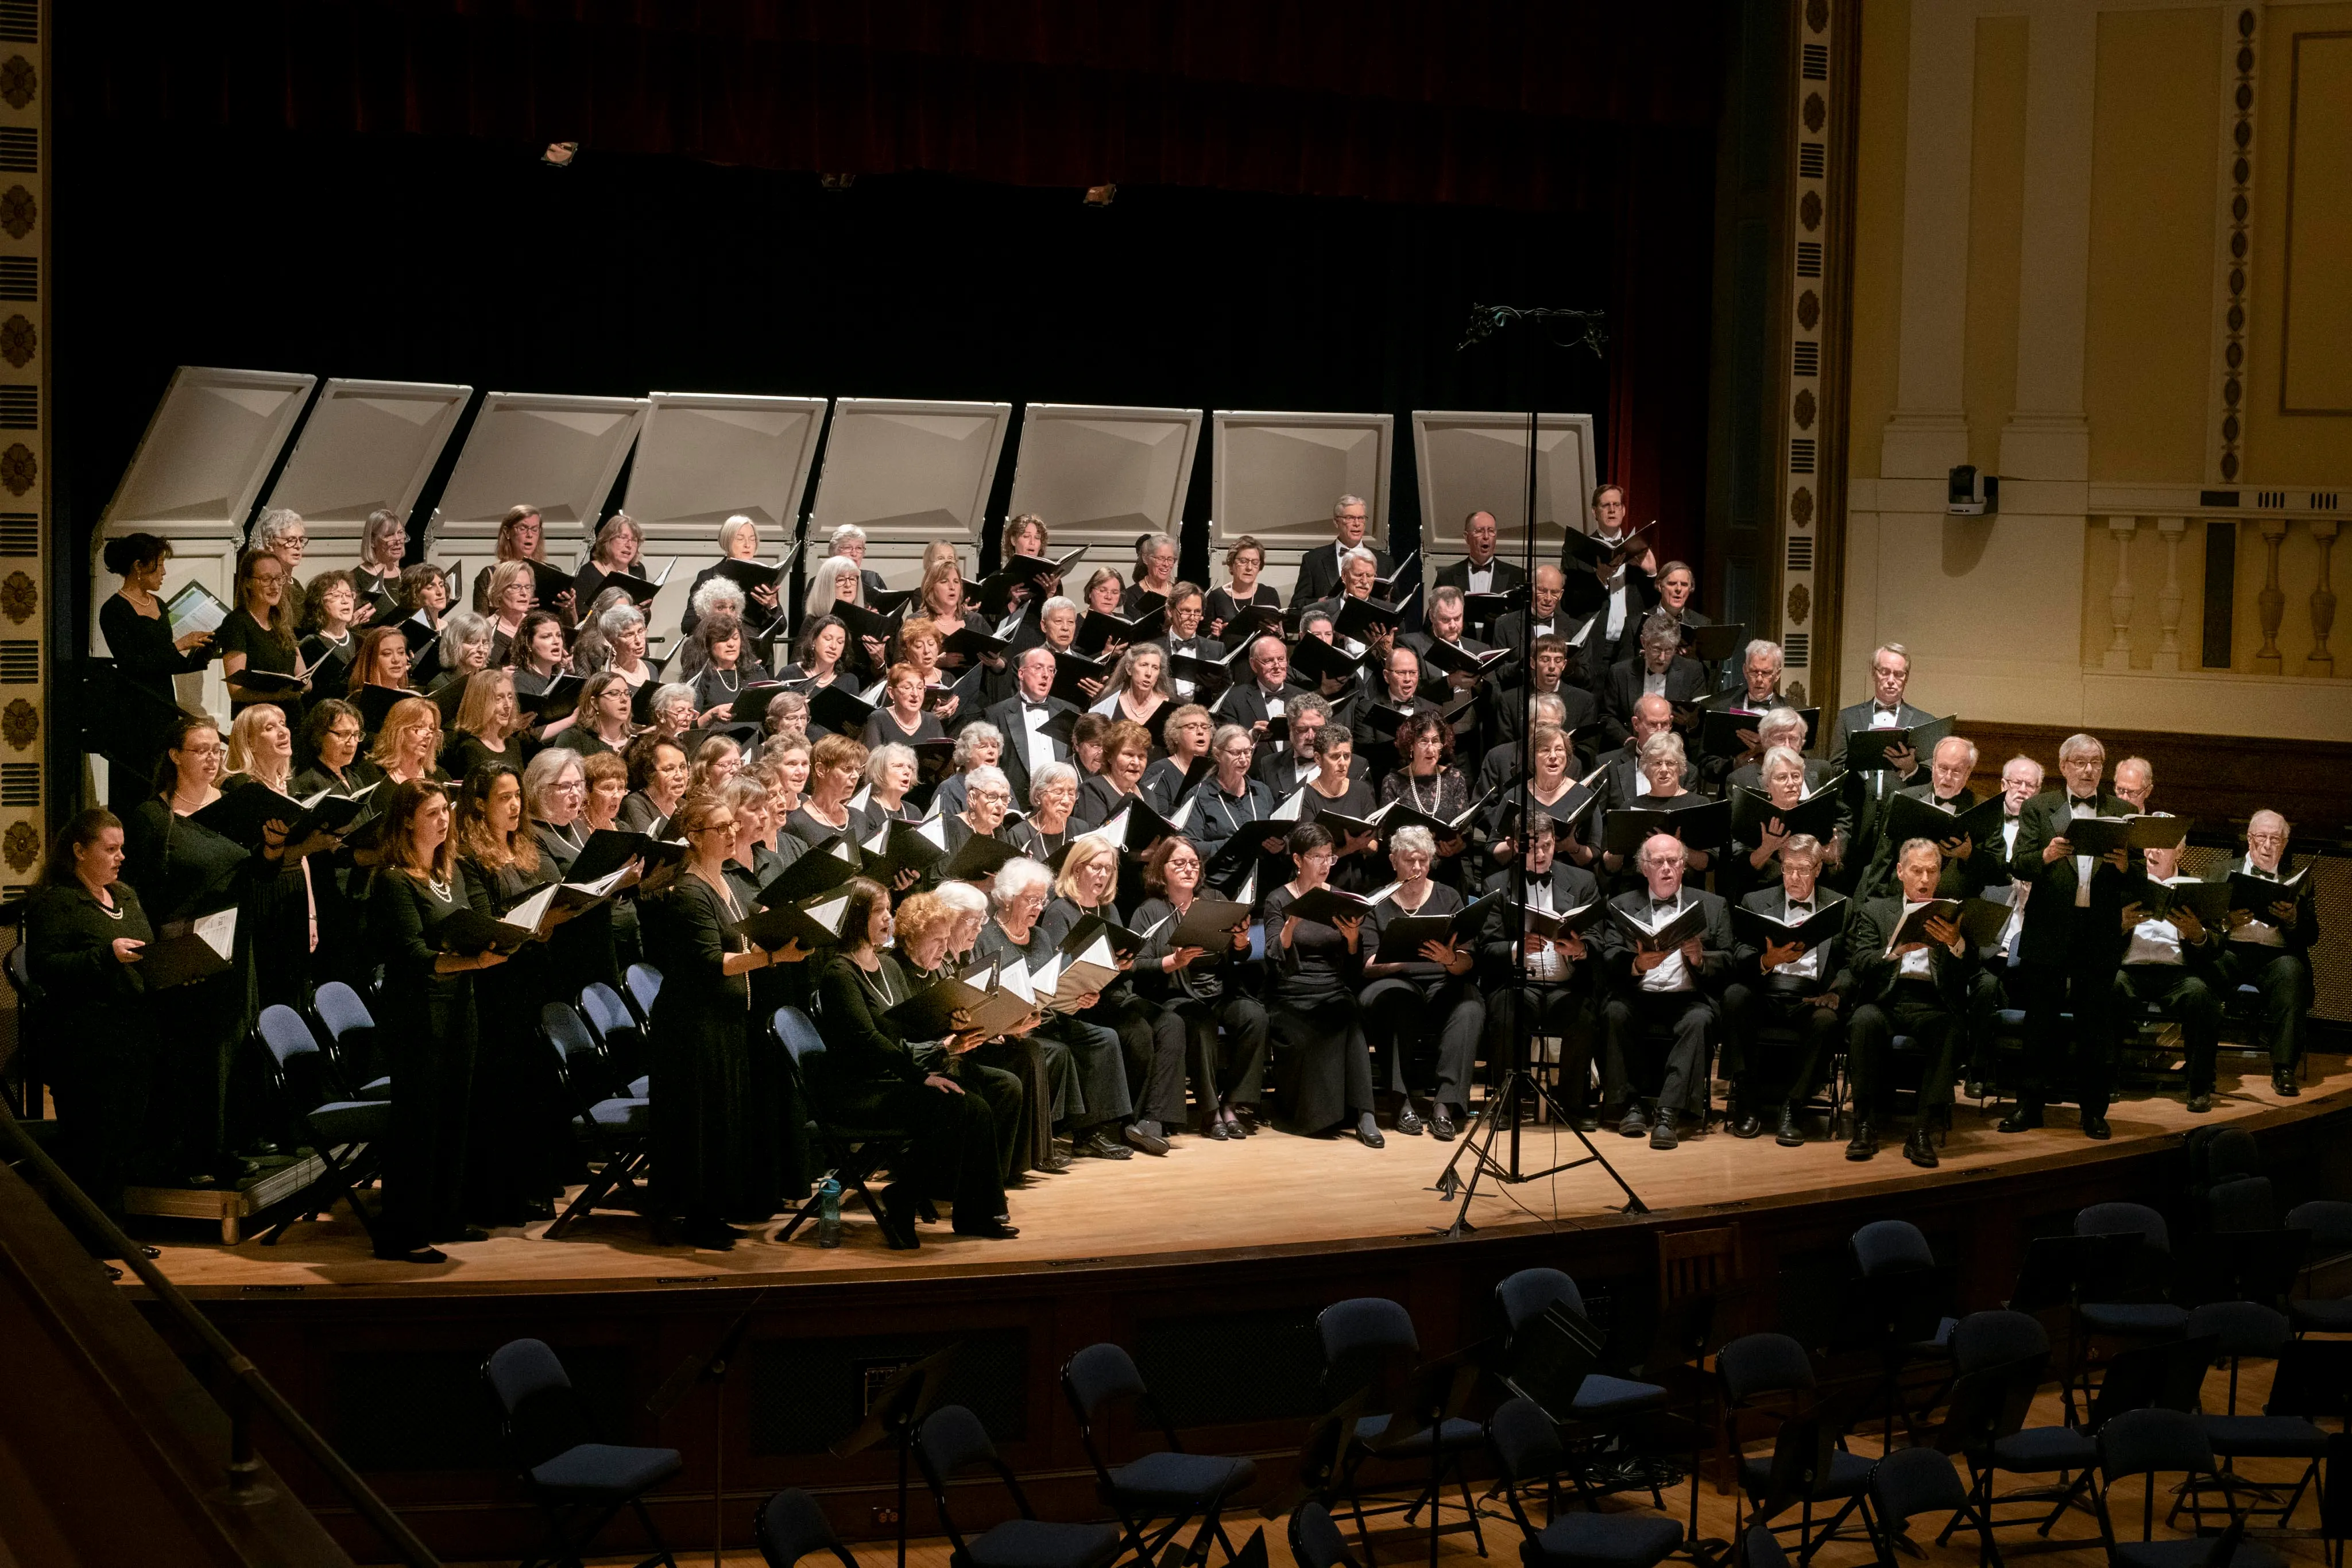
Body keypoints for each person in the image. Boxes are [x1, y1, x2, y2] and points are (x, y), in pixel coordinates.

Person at [643, 789, 807, 1249]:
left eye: (731, 824)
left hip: (725, 1019)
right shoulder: (690, 891)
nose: (733, 831)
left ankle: (711, 1211)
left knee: (723, 1119)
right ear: (694, 837)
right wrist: (773, 957)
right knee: (699, 1122)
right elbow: (714, 962)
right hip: (693, 1026)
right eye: (721, 827)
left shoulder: (724, 883)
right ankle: (694, 1217)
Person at [368, 779, 506, 1262]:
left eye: (446, 811)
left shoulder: (451, 873)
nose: (444, 820)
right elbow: (412, 954)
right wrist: (474, 963)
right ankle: (402, 1231)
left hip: (459, 1004)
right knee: (418, 1123)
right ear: (407, 819)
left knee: (453, 1114)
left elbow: (466, 927)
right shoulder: (392, 879)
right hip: (416, 1012)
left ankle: (444, 1215)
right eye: (432, 813)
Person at [26, 809, 158, 1238]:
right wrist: (107, 956)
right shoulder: (56, 901)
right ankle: (86, 1243)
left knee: (123, 1144)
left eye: (122, 848)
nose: (121, 857)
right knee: (91, 1148)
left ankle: (115, 1236)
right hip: (83, 1044)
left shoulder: (125, 896)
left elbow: (147, 948)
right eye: (111, 849)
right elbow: (47, 967)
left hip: (131, 1037)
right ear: (79, 851)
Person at [2003, 733, 2133, 1139]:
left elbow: (2141, 878)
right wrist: (2045, 855)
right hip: (2049, 929)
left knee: (2096, 1026)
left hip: (2098, 934)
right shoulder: (2040, 808)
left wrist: (2129, 865)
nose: (2088, 769)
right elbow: (2019, 863)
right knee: (2039, 1023)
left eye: (2095, 762)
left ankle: (2094, 1111)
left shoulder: (2123, 811)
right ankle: (2029, 1105)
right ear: (2063, 767)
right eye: (2079, 762)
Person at [973, 857, 1132, 1163]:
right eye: (1030, 900)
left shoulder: (1042, 937)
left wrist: (1080, 997)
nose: (1038, 907)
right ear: (1007, 898)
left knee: (1104, 1038)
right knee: (1057, 1052)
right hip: (1010, 1028)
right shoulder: (986, 936)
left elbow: (1053, 985)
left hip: (1048, 1017)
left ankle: (1091, 1134)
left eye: (1042, 899)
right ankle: (1042, 1144)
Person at [1038, 835, 1183, 1153]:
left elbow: (1121, 966)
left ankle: (1149, 1120)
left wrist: (1124, 962)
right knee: (1137, 1032)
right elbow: (1056, 972)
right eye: (1096, 867)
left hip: (1112, 993)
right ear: (1077, 869)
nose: (1103, 875)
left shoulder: (1110, 908)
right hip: (1077, 1001)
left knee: (1171, 1023)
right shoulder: (1059, 911)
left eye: (1109, 868)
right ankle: (1122, 1120)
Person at [1844, 839, 1980, 1167]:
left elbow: (1973, 970)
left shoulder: (1954, 912)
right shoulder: (1877, 909)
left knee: (1951, 1029)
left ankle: (1921, 1131)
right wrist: (1893, 953)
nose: (1924, 879)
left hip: (1932, 1002)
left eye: (1931, 871)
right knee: (1863, 1021)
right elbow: (1859, 962)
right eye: (1916, 871)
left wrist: (1956, 943)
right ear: (1900, 872)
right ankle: (1864, 1124)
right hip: (1886, 999)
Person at [1593, 833, 1731, 1150]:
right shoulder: (1621, 905)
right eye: (1658, 862)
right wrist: (1637, 964)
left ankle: (1668, 1113)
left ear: (1684, 867)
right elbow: (1610, 957)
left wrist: (1699, 959)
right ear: (1644, 869)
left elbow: (1729, 960)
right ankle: (1630, 1106)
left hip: (1688, 998)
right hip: (1638, 996)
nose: (1666, 868)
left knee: (1699, 1021)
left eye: (1673, 861)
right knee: (1613, 1011)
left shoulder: (1713, 905)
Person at [1129, 835, 1268, 1141]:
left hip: (1220, 992)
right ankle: (1209, 1112)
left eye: (1194, 863)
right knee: (1199, 1022)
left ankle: (1231, 1103)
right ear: (1161, 870)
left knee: (1254, 1017)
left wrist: (1241, 942)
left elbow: (1240, 955)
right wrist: (1172, 961)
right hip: (1176, 996)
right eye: (1179, 863)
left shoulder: (1215, 900)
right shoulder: (1149, 911)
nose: (1189, 869)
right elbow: (1135, 966)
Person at [888, 891, 1027, 1190]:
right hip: (915, 1070)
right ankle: (957, 1183)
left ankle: (992, 1183)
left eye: (945, 939)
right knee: (972, 1092)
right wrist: (947, 1040)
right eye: (936, 941)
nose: (943, 949)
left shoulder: (941, 969)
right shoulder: (894, 969)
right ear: (912, 938)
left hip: (945, 1057)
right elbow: (899, 1037)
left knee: (1009, 1086)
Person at [1720, 834, 1848, 1148]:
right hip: (1766, 990)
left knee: (1827, 1021)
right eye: (1788, 868)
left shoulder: (1840, 906)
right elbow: (1738, 955)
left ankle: (1794, 1106)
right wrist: (1768, 959)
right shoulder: (1755, 901)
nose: (1794, 877)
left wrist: (1835, 992)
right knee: (1734, 996)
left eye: (1803, 870)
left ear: (1818, 869)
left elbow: (1851, 963)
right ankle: (1747, 1100)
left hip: (1811, 996)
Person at [1358, 826, 1486, 1140]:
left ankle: (1445, 1104)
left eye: (1423, 861)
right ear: (1393, 861)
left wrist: (1449, 960)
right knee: (1393, 1000)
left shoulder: (1449, 896)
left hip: (1444, 981)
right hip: (1395, 981)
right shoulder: (1378, 902)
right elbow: (1367, 965)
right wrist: (1406, 959)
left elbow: (1468, 959)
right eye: (1409, 860)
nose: (1417, 868)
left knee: (1470, 1007)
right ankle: (1401, 1101)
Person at [1476, 810, 1601, 1128]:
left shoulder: (1583, 881)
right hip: (1520, 986)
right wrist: (1517, 948)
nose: (1542, 854)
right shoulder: (1496, 885)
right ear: (1518, 847)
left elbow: (1599, 936)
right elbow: (1486, 948)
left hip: (1566, 986)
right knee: (1504, 1009)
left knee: (1585, 1015)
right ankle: (1508, 1105)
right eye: (1534, 847)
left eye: (1547, 845)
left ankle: (1573, 1105)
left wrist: (1581, 949)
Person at [1262, 823, 1380, 1144]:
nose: (1326, 864)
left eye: (1330, 857)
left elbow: (1354, 967)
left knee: (1349, 1018)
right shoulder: (1278, 898)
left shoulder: (1341, 899)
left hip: (1331, 987)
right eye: (1318, 857)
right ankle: (1313, 1116)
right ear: (1298, 860)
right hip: (1291, 990)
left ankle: (1364, 1114)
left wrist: (1353, 940)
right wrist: (1290, 927)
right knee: (1304, 1034)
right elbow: (1273, 955)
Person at [96, 532, 216, 803]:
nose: (163, 572)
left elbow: (166, 664)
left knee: (163, 780)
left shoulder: (159, 604)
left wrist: (204, 651)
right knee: (135, 785)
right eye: (159, 564)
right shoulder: (114, 609)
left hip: (162, 703)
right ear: (138, 567)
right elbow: (131, 663)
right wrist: (179, 645)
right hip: (133, 710)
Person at [2115, 835, 2226, 1114]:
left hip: (2177, 973)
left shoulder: (2197, 887)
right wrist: (2117, 926)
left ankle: (2199, 1085)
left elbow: (2216, 945)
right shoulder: (2123, 881)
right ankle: (2106, 1077)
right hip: (2130, 968)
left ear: (2179, 850)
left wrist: (2197, 934)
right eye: (2149, 842)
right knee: (2107, 987)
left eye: (2163, 844)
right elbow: (2094, 935)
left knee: (2201, 995)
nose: (2153, 849)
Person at [2221, 810, 2318, 1098]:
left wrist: (2292, 920)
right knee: (2204, 976)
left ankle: (2284, 1069)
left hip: (2276, 955)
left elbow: (2311, 936)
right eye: (2261, 838)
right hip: (2232, 949)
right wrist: (2228, 922)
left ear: (2284, 844)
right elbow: (2204, 922)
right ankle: (2200, 1068)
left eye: (2275, 839)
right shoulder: (2220, 871)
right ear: (2249, 840)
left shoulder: (2300, 883)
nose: (2267, 845)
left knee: (2293, 975)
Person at [1832, 642, 1934, 884]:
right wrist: (1859, 767)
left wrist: (1911, 768)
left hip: (1900, 818)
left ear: (1906, 678)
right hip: (1855, 818)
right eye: (1884, 672)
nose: (1891, 680)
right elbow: (1834, 768)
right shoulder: (1848, 717)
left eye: (1899, 674)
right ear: (1873, 672)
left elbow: (1931, 778)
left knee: (1893, 887)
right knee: (1850, 885)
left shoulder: (1924, 720)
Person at [1855, 735, 1988, 901]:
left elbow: (1997, 871)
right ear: (1933, 765)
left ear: (1968, 773)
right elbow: (1883, 860)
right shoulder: (1903, 799)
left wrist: (1969, 854)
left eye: (1956, 771)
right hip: (1900, 902)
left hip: (1952, 910)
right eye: (1942, 768)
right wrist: (1875, 907)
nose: (1947, 777)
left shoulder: (1983, 808)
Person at [1597, 731, 1712, 880]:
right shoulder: (1630, 806)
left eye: (1670, 763)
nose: (1664, 769)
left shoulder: (1700, 805)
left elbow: (1707, 863)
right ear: (1646, 769)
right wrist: (1622, 845)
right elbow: (1610, 867)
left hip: (1686, 889)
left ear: (1681, 768)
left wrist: (1677, 847)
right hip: (1636, 888)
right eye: (1657, 763)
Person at [1558, 483, 1656, 645]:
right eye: (1606, 505)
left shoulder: (1639, 548)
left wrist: (1652, 573)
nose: (1612, 510)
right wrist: (1600, 578)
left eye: (1616, 505)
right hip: (1592, 643)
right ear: (1594, 512)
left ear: (1623, 510)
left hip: (1630, 643)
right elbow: (1569, 603)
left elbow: (1652, 605)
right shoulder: (1578, 549)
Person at [216, 548, 308, 718]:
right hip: (258, 720)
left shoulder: (281, 621)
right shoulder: (236, 623)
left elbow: (303, 675)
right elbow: (236, 692)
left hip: (292, 716)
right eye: (266, 579)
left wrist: (303, 683)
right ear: (247, 583)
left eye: (279, 578)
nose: (275, 586)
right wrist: (277, 696)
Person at [986, 646, 1078, 806]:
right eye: (1038, 668)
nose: (1046, 675)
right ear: (1021, 673)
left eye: (1051, 670)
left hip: (1061, 803)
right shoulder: (996, 714)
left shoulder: (1070, 711)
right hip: (1015, 804)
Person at [1598, 614, 1705, 750]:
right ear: (1643, 642)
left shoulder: (1692, 671)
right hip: (1631, 751)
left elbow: (1701, 723)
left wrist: (1691, 722)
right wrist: (1628, 740)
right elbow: (1607, 717)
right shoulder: (1620, 672)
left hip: (1674, 752)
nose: (1662, 658)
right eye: (1657, 649)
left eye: (1669, 650)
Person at [1187, 723, 1277, 865]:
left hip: (1260, 876)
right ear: (1218, 755)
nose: (1243, 759)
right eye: (1236, 753)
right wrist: (1232, 844)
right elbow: (1189, 846)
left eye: (1248, 752)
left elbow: (1277, 832)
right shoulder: (1199, 795)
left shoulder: (1262, 791)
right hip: (1219, 880)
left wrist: (1280, 845)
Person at [470, 504, 574, 625]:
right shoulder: (490, 575)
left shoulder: (552, 572)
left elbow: (569, 627)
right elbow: (480, 627)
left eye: (535, 529)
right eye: (523, 528)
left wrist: (570, 609)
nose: (530, 535)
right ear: (507, 532)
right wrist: (515, 610)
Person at [1291, 495, 1393, 608]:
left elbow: (1395, 606)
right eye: (1350, 518)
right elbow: (1297, 605)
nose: (1357, 524)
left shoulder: (1384, 562)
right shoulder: (1314, 560)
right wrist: (1321, 602)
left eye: (1361, 518)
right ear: (1336, 522)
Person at [442, 668, 528, 781]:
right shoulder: (470, 748)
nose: (508, 705)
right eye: (499, 699)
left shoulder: (513, 745)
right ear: (481, 703)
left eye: (510, 697)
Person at [788, 733, 866, 847]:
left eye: (858, 769)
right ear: (821, 770)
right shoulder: (796, 823)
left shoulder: (860, 818)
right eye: (847, 769)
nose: (855, 776)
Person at [293, 698, 383, 797]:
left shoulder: (354, 778)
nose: (352, 743)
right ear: (319, 734)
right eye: (344, 734)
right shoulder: (309, 782)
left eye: (356, 734)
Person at [297, 570, 361, 702]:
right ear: (319, 603)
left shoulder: (362, 642)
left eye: (349, 595)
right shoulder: (310, 645)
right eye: (337, 595)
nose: (345, 601)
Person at [1157, 583, 1225, 702]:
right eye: (1186, 611)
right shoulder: (1154, 648)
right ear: (1170, 611)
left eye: (1197, 612)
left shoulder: (1216, 649)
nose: (1193, 618)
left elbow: (1225, 691)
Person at [1140, 705, 1212, 815]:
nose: (1200, 732)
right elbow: (1158, 818)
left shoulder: (1215, 770)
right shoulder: (1158, 771)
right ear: (1175, 735)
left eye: (1205, 727)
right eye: (1192, 727)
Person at [1205, 535, 1280, 637]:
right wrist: (1216, 635)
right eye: (1243, 561)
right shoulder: (1215, 597)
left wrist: (1276, 631)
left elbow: (1280, 635)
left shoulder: (1269, 594)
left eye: (1255, 563)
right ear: (1231, 564)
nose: (1249, 568)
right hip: (1227, 652)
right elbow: (1204, 640)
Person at [1006, 761, 1080, 864]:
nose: (1066, 801)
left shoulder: (1080, 829)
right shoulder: (1019, 835)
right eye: (1058, 792)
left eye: (1071, 793)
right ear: (1038, 796)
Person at [863, 663, 946, 750]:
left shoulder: (932, 720)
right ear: (891, 693)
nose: (915, 694)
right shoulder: (878, 719)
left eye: (920, 688)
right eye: (907, 688)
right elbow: (873, 761)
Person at [620, 734, 691, 835]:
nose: (679, 775)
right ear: (649, 773)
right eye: (670, 769)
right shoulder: (635, 805)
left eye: (683, 767)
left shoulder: (684, 805)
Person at [573, 512, 645, 609]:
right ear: (608, 540)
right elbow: (582, 619)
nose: (629, 545)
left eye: (634, 540)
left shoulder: (638, 570)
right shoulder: (588, 573)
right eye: (623, 538)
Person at [370, 696, 447, 786]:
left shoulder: (439, 777)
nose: (429, 735)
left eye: (432, 728)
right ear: (399, 731)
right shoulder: (372, 772)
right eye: (419, 727)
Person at [933, 722, 1004, 819]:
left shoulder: (1002, 785)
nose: (992, 751)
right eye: (984, 746)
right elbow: (950, 829)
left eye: (994, 746)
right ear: (966, 752)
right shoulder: (949, 789)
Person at [558, 671, 636, 760]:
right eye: (614, 693)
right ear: (595, 703)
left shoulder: (637, 740)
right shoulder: (574, 738)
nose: (624, 699)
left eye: (627, 693)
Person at [351, 506, 409, 621]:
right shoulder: (355, 579)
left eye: (400, 533)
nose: (398, 540)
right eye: (389, 535)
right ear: (373, 541)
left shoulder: (407, 576)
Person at [482, 559, 537, 665]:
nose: (524, 593)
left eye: (528, 587)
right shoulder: (485, 629)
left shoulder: (536, 625)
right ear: (499, 591)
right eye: (516, 587)